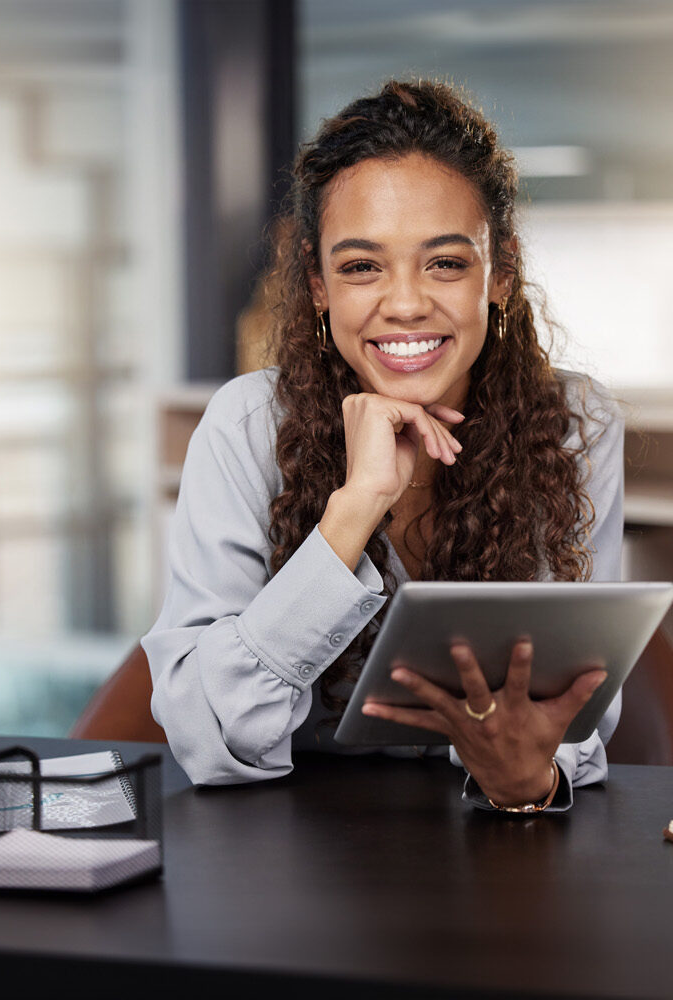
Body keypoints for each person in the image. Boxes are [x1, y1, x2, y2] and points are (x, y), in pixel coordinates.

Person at [142, 79, 624, 813]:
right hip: (284, 858)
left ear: (501, 274)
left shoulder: (573, 420)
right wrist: (354, 509)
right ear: (317, 284)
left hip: (491, 842)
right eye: (362, 266)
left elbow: (578, 712)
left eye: (446, 263)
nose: (404, 303)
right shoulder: (245, 425)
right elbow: (212, 740)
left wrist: (531, 778)